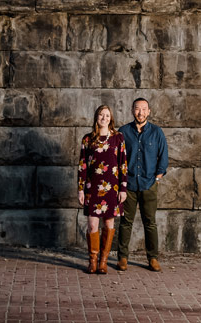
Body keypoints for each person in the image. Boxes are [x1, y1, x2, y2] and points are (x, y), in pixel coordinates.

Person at [116, 97, 168, 272]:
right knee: (125, 222)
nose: (141, 112)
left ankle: (153, 258)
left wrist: (158, 178)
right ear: (132, 110)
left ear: (149, 111)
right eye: (137, 109)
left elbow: (164, 157)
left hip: (149, 184)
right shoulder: (123, 132)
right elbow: (116, 158)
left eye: (144, 109)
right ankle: (122, 257)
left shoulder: (156, 132)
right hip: (128, 184)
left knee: (150, 222)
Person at [77, 104, 128, 274]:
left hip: (112, 188)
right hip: (93, 188)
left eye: (107, 115)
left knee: (108, 224)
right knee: (92, 225)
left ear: (111, 118)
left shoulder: (118, 138)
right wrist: (81, 189)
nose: (104, 118)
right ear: (96, 118)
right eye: (101, 115)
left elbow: (123, 165)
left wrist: (123, 188)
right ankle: (92, 260)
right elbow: (82, 166)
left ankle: (103, 262)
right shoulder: (88, 139)